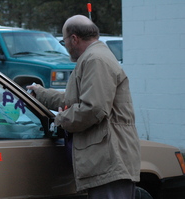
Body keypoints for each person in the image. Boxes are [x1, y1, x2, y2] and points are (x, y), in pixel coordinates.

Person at [26, 15, 141, 199]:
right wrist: (41, 94)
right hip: (105, 162)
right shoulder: (93, 57)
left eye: (64, 42)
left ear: (74, 38)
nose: (66, 47)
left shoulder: (96, 60)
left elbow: (93, 108)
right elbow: (75, 100)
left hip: (109, 163)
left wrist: (60, 119)